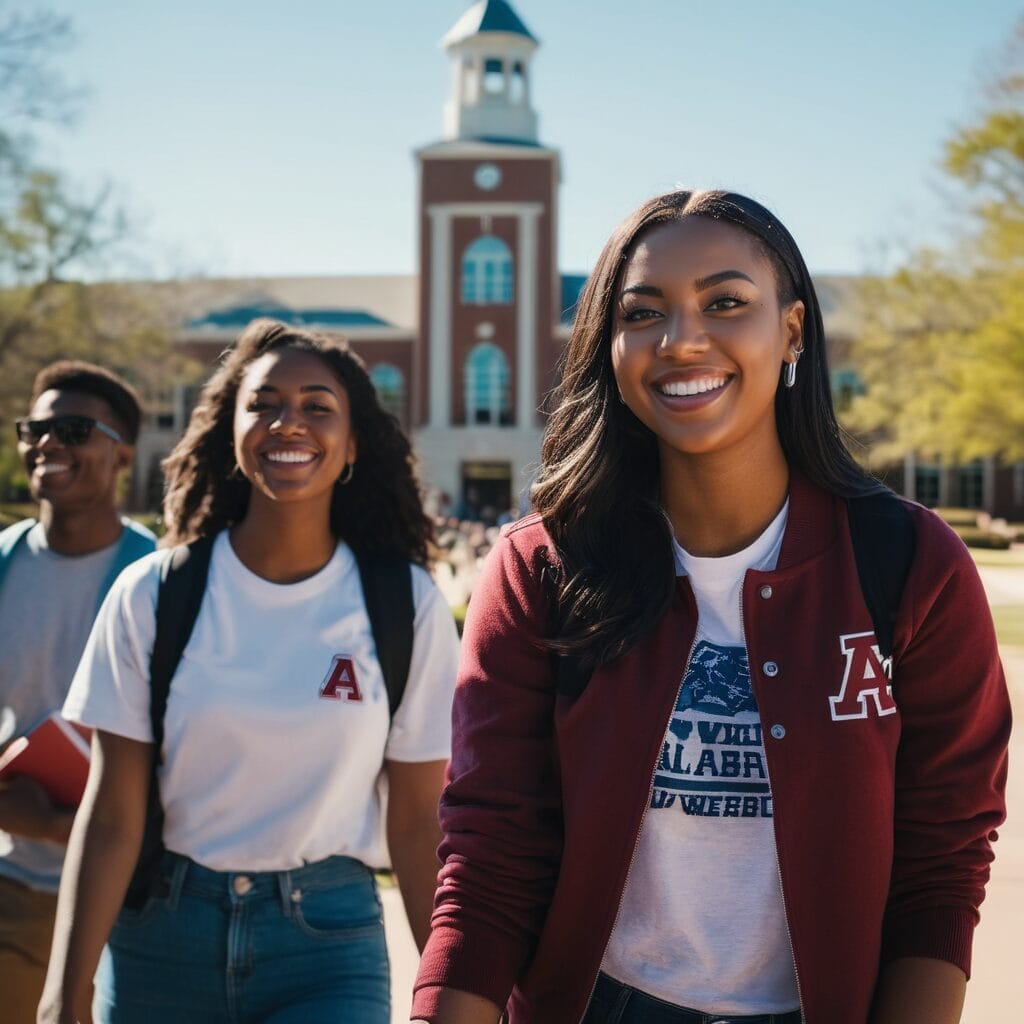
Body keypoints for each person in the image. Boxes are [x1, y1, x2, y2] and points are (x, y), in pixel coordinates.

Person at [410, 190, 1011, 1024]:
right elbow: (488, 857)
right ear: (610, 349)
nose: (682, 339)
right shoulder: (540, 569)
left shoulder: (910, 563)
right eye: (643, 312)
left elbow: (942, 858)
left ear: (792, 330)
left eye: (726, 303)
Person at [39, 320, 459, 1024]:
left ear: (352, 444)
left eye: (317, 406)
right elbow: (111, 812)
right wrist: (65, 992)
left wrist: (450, 993)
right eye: (262, 403)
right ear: (231, 432)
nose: (287, 422)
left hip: (327, 946)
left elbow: (418, 822)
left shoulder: (403, 603)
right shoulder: (153, 594)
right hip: (161, 940)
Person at [0, 361, 155, 1024]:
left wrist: (54, 825)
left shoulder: (156, 582)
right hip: (10, 890)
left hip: (122, 904)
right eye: (33, 429)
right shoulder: (3, 561)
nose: (46, 444)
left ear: (122, 453)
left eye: (70, 429)